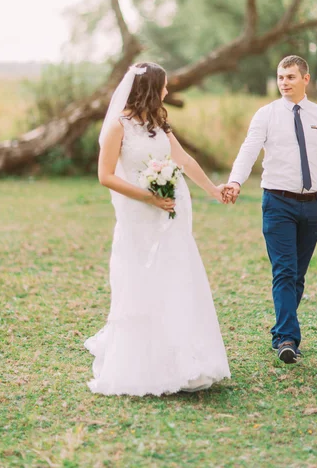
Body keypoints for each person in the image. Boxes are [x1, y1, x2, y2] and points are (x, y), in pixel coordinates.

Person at [84, 61, 231, 395]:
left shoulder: (159, 124)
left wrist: (214, 190)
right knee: (139, 280)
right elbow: (105, 175)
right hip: (138, 216)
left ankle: (183, 359)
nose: (167, 91)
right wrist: (148, 198)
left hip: (170, 217)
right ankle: (143, 363)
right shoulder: (117, 127)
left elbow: (185, 161)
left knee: (175, 276)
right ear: (151, 89)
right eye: (164, 86)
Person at [224, 55, 317, 364]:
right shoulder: (266, 115)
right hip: (277, 203)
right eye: (280, 77)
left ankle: (281, 331)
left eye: (290, 76)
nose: (284, 82)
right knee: (285, 271)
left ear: (306, 78)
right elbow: (248, 149)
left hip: (314, 205)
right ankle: (288, 338)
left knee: (297, 275)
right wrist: (235, 181)